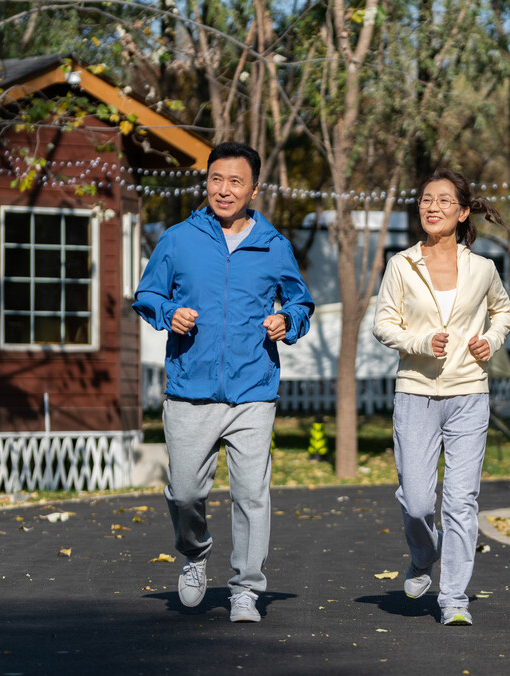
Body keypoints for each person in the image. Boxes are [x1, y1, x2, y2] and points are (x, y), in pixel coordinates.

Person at [133, 141, 314, 623]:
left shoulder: (274, 246)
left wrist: (287, 323)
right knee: (186, 492)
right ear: (206, 182)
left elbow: (301, 304)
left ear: (253, 188)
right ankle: (195, 555)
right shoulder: (178, 239)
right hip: (189, 389)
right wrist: (170, 313)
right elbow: (147, 294)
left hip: (253, 389)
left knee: (251, 493)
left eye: (236, 181)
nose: (224, 189)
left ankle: (246, 589)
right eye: (216, 179)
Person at [373, 169, 510, 626]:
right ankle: (422, 556)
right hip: (415, 393)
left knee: (460, 499)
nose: (433, 207)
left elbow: (503, 311)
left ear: (463, 212)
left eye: (444, 201)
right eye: (426, 200)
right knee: (416, 501)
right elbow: (383, 324)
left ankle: (454, 598)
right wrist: (418, 342)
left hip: (469, 392)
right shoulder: (401, 264)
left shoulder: (483, 268)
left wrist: (489, 343)